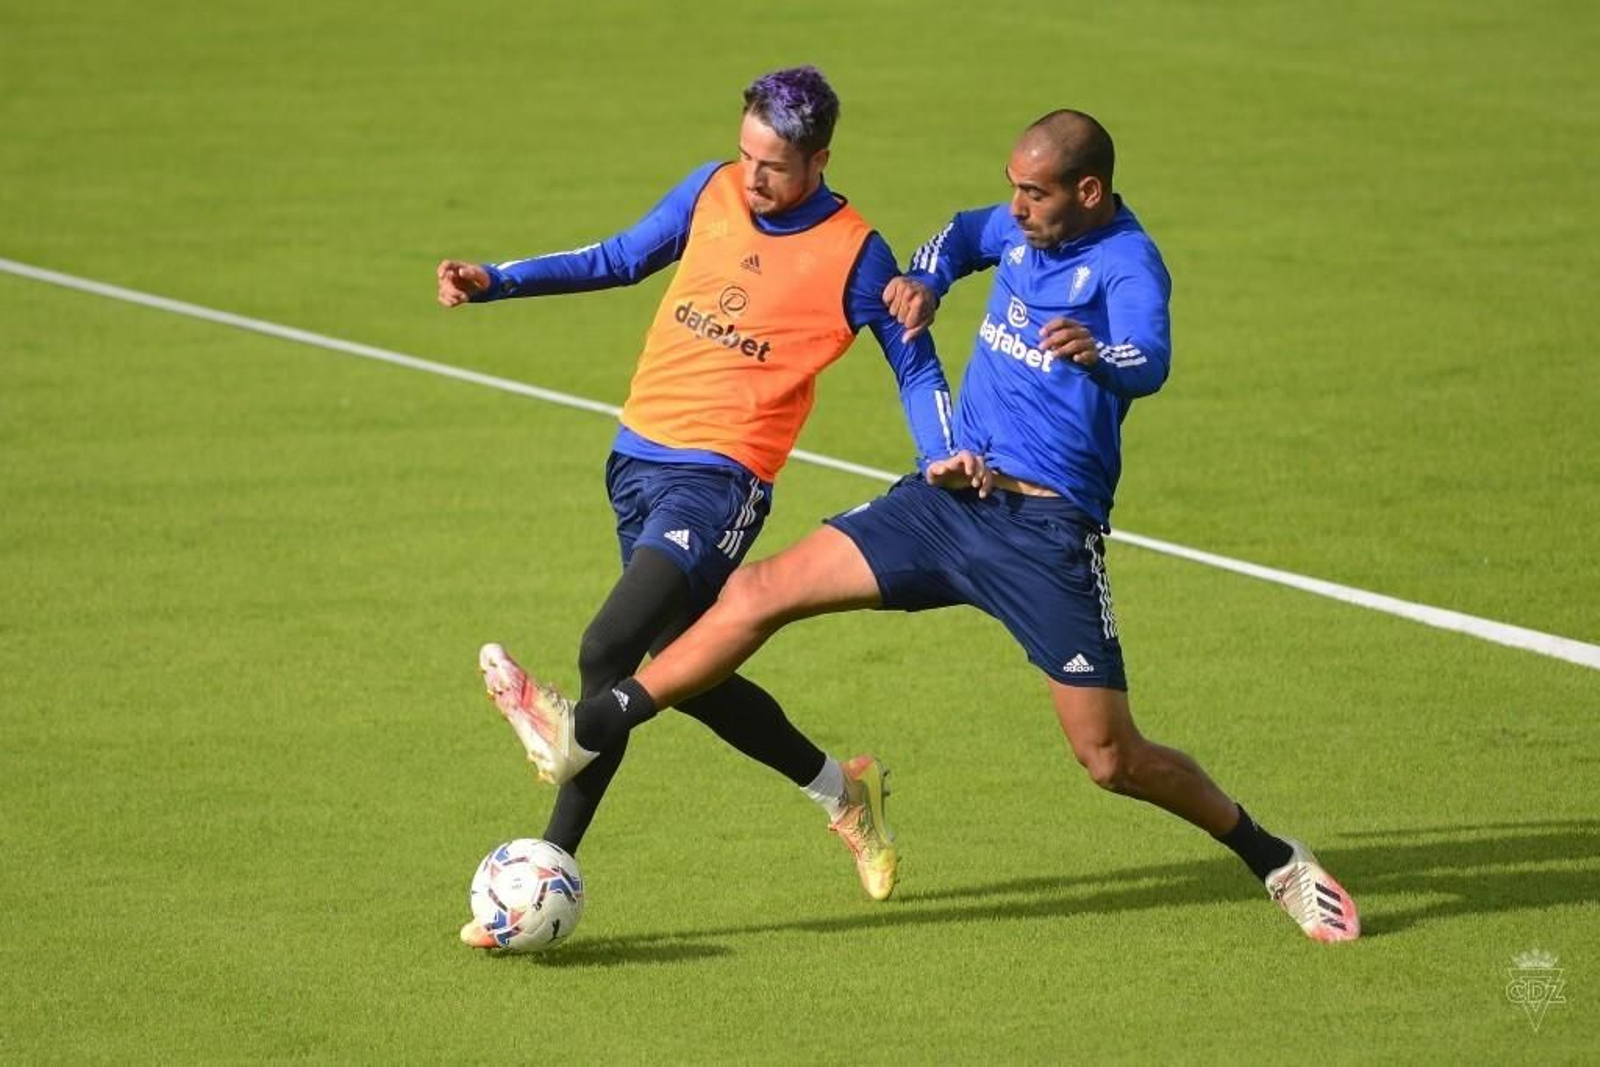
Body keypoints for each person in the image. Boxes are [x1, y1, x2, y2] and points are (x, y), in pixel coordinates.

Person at [488, 109, 1362, 943]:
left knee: (1110, 757)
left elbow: (1152, 361)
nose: (1017, 209)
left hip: (1045, 534)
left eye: (1037, 195)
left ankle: (1275, 858)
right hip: (945, 499)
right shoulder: (1013, 226)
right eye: (1013, 190)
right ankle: (592, 728)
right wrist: (927, 281)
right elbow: (957, 234)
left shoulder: (1131, 266)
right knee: (756, 593)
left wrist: (1102, 355)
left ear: (1088, 193)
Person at [442, 67, 962, 945]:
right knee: (680, 669)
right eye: (747, 154)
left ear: (821, 160)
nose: (755, 178)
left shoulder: (855, 253)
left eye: (777, 166)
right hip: (635, 457)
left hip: (722, 479)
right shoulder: (711, 189)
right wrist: (498, 280)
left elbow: (913, 362)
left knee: (607, 650)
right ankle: (844, 789)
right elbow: (616, 257)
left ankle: (537, 877)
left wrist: (938, 451)